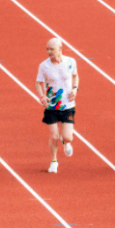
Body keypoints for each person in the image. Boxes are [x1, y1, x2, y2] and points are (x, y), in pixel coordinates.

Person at [35, 38, 78, 174]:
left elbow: (76, 76)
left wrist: (75, 88)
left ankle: (65, 142)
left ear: (60, 48)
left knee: (67, 137)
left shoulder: (71, 62)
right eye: (47, 49)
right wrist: (42, 97)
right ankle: (54, 161)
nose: (49, 52)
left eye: (51, 49)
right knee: (53, 136)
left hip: (68, 105)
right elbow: (38, 83)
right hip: (52, 106)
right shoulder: (44, 66)